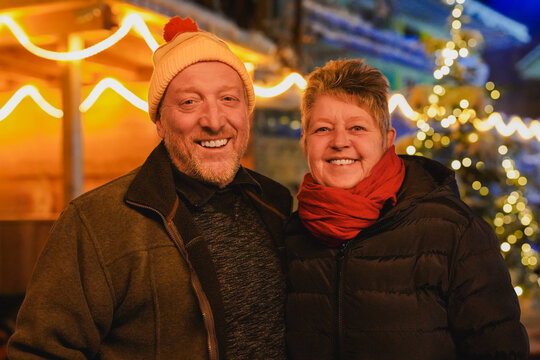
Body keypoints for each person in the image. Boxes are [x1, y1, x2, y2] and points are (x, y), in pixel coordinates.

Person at [8, 16, 292, 360]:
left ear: (247, 112)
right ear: (159, 121)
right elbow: (40, 352)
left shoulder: (273, 203)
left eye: (229, 99)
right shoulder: (96, 222)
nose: (214, 120)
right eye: (190, 102)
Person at [285, 59, 529, 359]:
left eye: (357, 127)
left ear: (387, 140)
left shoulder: (453, 233)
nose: (339, 142)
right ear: (305, 141)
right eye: (322, 129)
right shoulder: (293, 237)